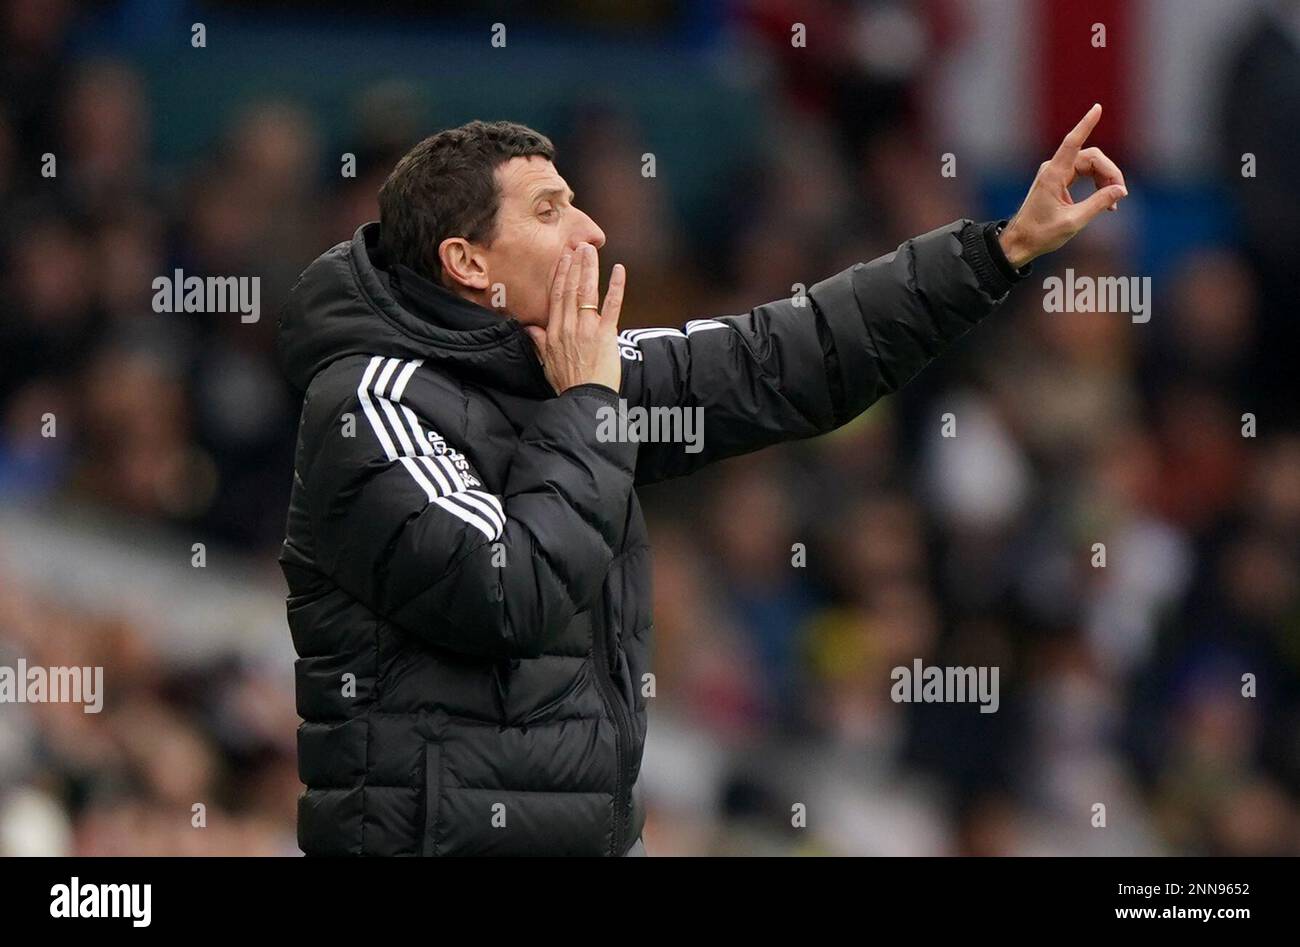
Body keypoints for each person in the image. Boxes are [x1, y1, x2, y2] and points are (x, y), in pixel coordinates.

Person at [276, 108, 1126, 856]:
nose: (592, 229)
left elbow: (786, 356)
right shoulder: (370, 402)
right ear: (467, 261)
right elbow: (509, 592)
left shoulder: (568, 371)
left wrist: (999, 249)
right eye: (550, 209)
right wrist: (588, 405)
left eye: (576, 198)